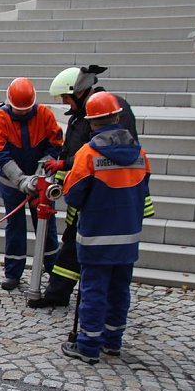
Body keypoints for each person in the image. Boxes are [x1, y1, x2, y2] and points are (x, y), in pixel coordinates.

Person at [29, 66, 143, 309]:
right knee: (72, 244)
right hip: (98, 193)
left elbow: (96, 155)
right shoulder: (86, 114)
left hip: (100, 195)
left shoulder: (101, 114)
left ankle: (65, 296)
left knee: (78, 247)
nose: (64, 102)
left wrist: (66, 166)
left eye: (66, 97)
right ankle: (63, 293)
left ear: (78, 92)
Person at [60, 92, 153, 365]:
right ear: (117, 117)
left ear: (92, 123)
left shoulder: (88, 154)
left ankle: (88, 345)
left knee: (93, 290)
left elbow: (74, 195)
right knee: (119, 290)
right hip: (129, 236)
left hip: (97, 235)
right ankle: (113, 342)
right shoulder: (139, 153)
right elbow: (143, 190)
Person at [0, 77, 63, 291]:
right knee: (15, 227)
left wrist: (41, 173)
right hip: (12, 184)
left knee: (46, 226)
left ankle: (52, 269)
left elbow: (55, 144)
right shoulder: (1, 117)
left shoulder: (44, 114)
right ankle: (13, 272)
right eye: (18, 110)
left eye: (25, 110)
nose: (22, 113)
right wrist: (20, 180)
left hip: (41, 182)